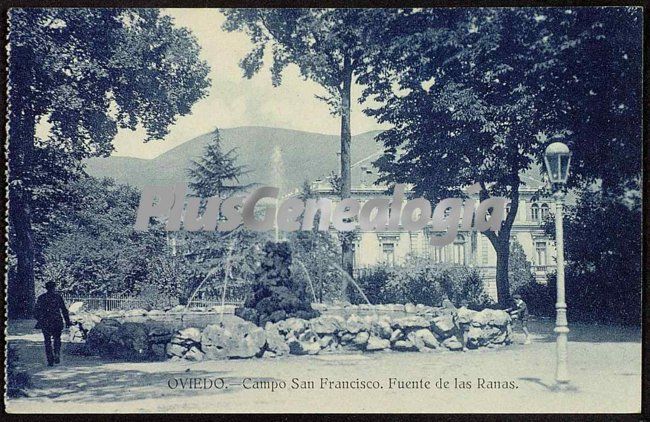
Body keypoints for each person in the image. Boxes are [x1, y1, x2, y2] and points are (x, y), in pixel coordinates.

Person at [34, 282, 72, 366]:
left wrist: (40, 319)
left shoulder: (41, 298)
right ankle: (57, 353)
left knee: (47, 341)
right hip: (57, 321)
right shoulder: (58, 297)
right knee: (57, 338)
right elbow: (64, 310)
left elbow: (36, 311)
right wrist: (67, 321)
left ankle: (50, 359)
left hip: (46, 322)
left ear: (46, 288)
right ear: (54, 288)